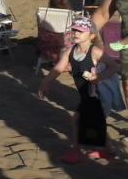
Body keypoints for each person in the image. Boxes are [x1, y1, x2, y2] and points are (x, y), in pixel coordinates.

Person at [39, 18, 112, 163]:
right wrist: (45, 82)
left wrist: (99, 77)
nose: (76, 33)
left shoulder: (95, 52)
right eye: (74, 30)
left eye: (81, 31)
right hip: (85, 94)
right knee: (95, 123)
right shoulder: (69, 52)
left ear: (91, 35)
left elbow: (114, 67)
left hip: (97, 93)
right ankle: (106, 150)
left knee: (77, 120)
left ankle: (76, 151)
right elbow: (58, 69)